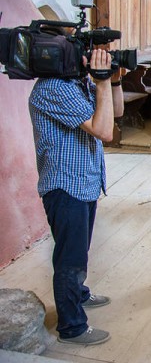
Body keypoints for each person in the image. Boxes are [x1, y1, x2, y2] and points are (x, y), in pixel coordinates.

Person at [29, 48, 124, 345]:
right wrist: (102, 81)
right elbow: (104, 131)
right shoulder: (53, 87)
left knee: (78, 251)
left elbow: (116, 112)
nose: (88, 58)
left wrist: (115, 81)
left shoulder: (76, 83)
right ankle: (72, 327)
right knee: (69, 258)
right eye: (83, 52)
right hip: (65, 185)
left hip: (84, 180)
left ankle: (79, 294)